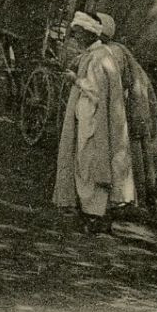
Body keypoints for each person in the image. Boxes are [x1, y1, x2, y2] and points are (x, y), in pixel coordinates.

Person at [53, 13, 140, 233]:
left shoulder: (98, 58)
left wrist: (75, 80)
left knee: (88, 164)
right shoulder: (101, 55)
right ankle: (93, 213)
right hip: (92, 117)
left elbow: (96, 91)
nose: (77, 37)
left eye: (80, 33)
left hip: (93, 120)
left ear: (90, 33)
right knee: (89, 163)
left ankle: (93, 215)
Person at [95, 13, 157, 211]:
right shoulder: (118, 49)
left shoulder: (112, 53)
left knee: (130, 152)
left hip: (133, 106)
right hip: (139, 103)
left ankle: (129, 200)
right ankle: (145, 198)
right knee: (142, 153)